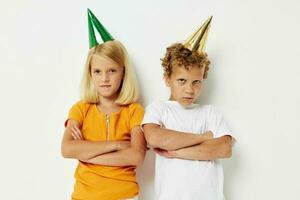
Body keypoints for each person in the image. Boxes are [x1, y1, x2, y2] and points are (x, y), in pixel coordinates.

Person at [142, 17, 236, 200]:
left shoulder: (210, 113)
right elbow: (155, 137)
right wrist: (204, 138)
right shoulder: (159, 109)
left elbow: (224, 148)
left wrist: (177, 152)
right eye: (182, 81)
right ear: (168, 79)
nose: (190, 89)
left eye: (196, 82)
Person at [61, 9, 146, 200]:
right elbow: (67, 149)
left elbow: (136, 156)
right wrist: (117, 144)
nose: (104, 79)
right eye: (97, 71)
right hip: (85, 195)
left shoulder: (134, 111)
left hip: (125, 195)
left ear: (123, 72)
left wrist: (86, 152)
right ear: (90, 74)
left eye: (112, 70)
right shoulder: (81, 109)